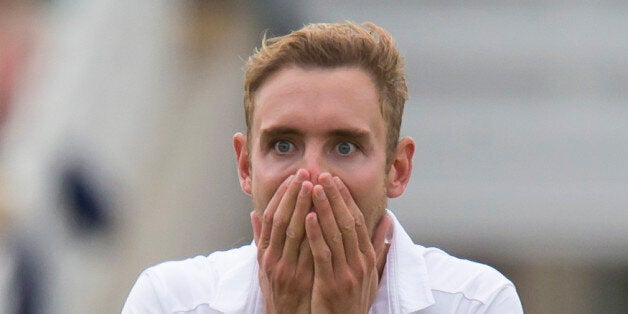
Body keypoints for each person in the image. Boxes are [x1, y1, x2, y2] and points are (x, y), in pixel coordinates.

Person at [122, 21, 523, 313]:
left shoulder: (476, 302)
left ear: (397, 168)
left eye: (344, 146)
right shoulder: (169, 300)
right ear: (245, 165)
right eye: (283, 145)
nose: (310, 174)